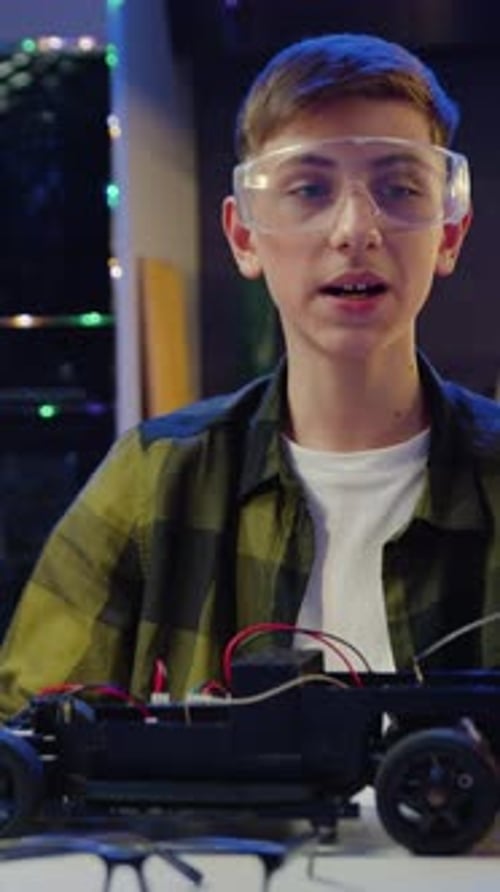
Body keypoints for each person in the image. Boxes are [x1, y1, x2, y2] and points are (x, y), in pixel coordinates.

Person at [1, 31, 500, 722]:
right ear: (244, 236)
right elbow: (20, 753)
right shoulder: (153, 482)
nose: (355, 229)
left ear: (448, 232)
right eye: (309, 189)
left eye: (399, 187)